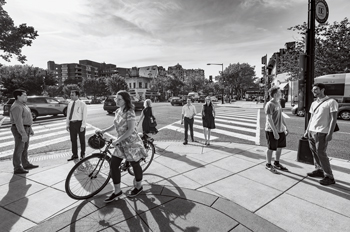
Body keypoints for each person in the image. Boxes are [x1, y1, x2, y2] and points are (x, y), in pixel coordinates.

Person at [96, 90, 148, 202]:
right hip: (120, 142)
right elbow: (115, 125)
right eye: (116, 98)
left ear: (125, 100)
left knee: (135, 164)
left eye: (119, 99)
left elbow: (130, 130)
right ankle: (117, 191)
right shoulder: (118, 111)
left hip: (131, 142)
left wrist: (117, 140)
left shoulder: (130, 112)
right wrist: (103, 131)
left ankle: (138, 186)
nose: (116, 100)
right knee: (114, 165)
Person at [304, 83, 338, 186]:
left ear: (322, 90)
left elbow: (333, 119)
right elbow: (312, 118)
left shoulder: (331, 102)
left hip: (322, 132)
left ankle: (329, 177)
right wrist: (307, 130)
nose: (313, 91)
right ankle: (319, 170)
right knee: (314, 152)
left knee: (321, 153)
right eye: (313, 90)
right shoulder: (314, 103)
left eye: (316, 89)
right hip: (312, 131)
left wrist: (330, 133)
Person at [10, 89, 39, 174]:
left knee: (25, 148)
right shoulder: (16, 106)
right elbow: (18, 122)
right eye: (24, 95)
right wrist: (23, 134)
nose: (26, 97)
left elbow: (26, 118)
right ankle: (17, 167)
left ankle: (25, 163)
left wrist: (30, 129)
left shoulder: (23, 105)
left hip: (26, 127)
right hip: (20, 128)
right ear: (18, 96)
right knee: (19, 148)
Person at [264, 86, 289, 173]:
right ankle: (268, 164)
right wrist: (274, 131)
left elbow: (281, 115)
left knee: (279, 147)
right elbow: (269, 119)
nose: (281, 94)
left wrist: (285, 126)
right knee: (271, 148)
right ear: (275, 94)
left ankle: (276, 163)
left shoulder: (278, 102)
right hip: (271, 130)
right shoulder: (269, 104)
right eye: (279, 92)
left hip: (281, 129)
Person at [66, 90, 87, 161]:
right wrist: (67, 124)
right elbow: (68, 115)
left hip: (79, 123)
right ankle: (75, 155)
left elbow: (84, 115)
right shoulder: (70, 104)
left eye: (72, 95)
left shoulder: (82, 104)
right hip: (72, 124)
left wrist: (83, 126)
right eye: (70, 94)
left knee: (82, 140)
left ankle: (82, 155)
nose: (71, 96)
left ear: (77, 95)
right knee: (73, 140)